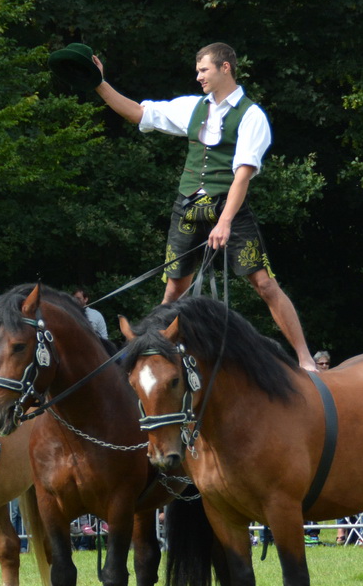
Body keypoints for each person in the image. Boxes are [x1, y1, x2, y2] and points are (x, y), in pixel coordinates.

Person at [91, 43, 316, 370]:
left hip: (229, 207)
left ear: (225, 68)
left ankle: (306, 359)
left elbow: (242, 176)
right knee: (172, 293)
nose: (198, 77)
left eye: (203, 70)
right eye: (197, 71)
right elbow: (139, 112)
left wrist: (224, 222)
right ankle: (148, 360)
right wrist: (99, 84)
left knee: (264, 283)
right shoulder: (192, 107)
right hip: (188, 207)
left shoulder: (252, 116)